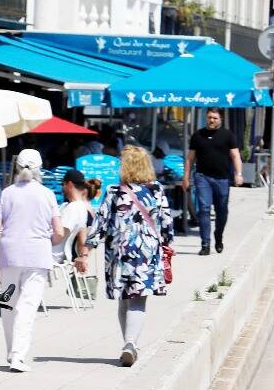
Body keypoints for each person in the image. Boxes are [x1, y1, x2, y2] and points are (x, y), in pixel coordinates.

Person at [0, 149, 65, 372]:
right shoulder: (48, 194)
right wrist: (50, 242)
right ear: (39, 168)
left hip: (9, 253)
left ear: (17, 167)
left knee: (8, 303)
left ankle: (11, 351)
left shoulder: (7, 193)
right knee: (28, 305)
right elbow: (59, 232)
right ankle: (18, 355)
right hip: (37, 255)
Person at [99, 146, 176, 368]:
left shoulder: (114, 191)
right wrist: (168, 243)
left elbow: (101, 222)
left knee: (124, 298)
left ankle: (128, 344)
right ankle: (130, 343)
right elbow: (166, 221)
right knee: (138, 299)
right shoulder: (156, 190)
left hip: (119, 252)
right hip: (146, 252)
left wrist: (87, 248)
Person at [188, 108, 244, 257]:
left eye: (215, 118)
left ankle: (218, 236)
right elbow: (190, 158)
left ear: (221, 120)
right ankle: (205, 244)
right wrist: (186, 177)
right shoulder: (197, 135)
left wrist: (238, 174)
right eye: (209, 117)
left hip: (222, 179)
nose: (211, 120)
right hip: (202, 177)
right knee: (204, 209)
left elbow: (235, 156)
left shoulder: (228, 135)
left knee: (222, 210)